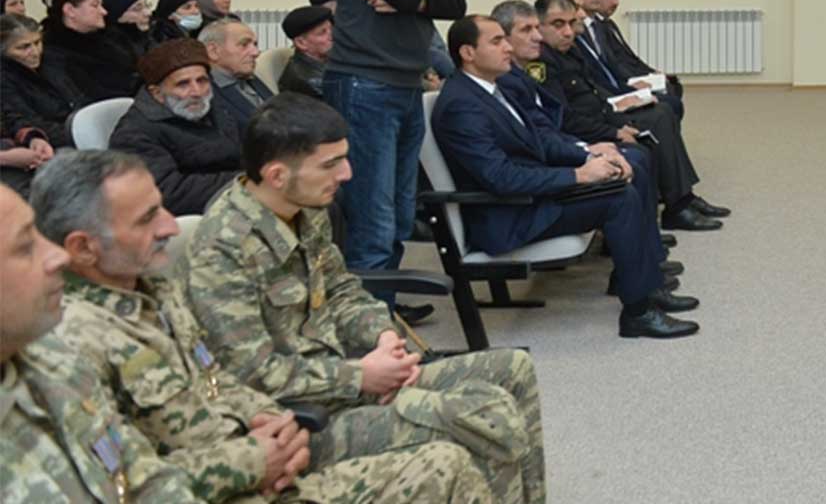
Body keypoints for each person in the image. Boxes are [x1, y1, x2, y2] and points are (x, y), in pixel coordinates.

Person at [31, 150, 492, 502]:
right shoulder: (69, 341)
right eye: (148, 217)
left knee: (457, 451)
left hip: (262, 459)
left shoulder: (153, 290)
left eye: (161, 208)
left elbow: (215, 379)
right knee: (446, 462)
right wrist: (252, 461)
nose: (171, 226)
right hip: (224, 485)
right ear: (83, 247)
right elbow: (119, 484)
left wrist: (279, 427)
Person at [187, 94, 547, 503]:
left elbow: (341, 290)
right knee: (484, 420)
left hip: (345, 380)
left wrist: (383, 337)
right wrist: (360, 376)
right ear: (277, 175)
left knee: (512, 369)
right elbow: (253, 373)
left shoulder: (304, 207)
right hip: (297, 422)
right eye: (330, 164)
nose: (347, 173)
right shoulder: (222, 250)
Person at [434, 15, 698, 339]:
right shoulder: (461, 105)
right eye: (496, 41)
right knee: (620, 198)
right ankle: (638, 313)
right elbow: (500, 178)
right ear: (467, 53)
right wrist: (578, 175)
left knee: (622, 175)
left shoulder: (492, 89)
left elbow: (540, 142)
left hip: (531, 193)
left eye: (505, 38)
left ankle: (643, 285)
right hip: (509, 213)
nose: (507, 48)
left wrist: (590, 156)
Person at [321, 0, 466, 280]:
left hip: (403, 84)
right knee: (374, 222)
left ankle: (383, 309)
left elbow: (454, 2)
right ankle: (369, 321)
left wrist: (415, 2)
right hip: (365, 83)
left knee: (400, 216)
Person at [1, 182, 202, 501]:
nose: (58, 256)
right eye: (25, 247)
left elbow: (143, 477)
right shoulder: (71, 336)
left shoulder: (52, 360)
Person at [528, 0, 726, 231]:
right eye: (558, 24)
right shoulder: (541, 63)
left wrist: (618, 120)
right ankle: (674, 207)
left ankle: (682, 199)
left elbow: (594, 95)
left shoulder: (569, 51)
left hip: (602, 115)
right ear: (539, 26)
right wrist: (614, 131)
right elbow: (565, 118)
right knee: (656, 121)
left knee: (661, 112)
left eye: (571, 23)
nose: (569, 32)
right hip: (586, 131)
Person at [108, 39, 244, 216]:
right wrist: (247, 182)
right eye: (183, 84)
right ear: (157, 93)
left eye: (202, 81)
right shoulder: (134, 134)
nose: (196, 92)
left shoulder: (209, 108)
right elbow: (168, 193)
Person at [584, 0, 686, 120]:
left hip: (625, 78)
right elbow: (613, 64)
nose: (615, 3)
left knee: (673, 85)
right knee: (670, 103)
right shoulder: (595, 28)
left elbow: (629, 57)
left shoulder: (608, 24)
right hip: (616, 86)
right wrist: (631, 82)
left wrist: (651, 72)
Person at [2, 14, 74, 193]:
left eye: (37, 43)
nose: (34, 52)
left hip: (38, 143)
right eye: (23, 47)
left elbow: (13, 116)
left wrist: (33, 137)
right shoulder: (5, 78)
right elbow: (23, 114)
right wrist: (6, 157)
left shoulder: (50, 63)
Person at [40, 0, 141, 103]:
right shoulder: (55, 54)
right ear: (70, 10)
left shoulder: (112, 37)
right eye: (95, 5)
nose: (104, 12)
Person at [202, 18, 275, 126]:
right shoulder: (203, 92)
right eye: (244, 44)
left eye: (255, 44)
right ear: (213, 51)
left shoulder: (248, 77)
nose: (256, 52)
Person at [279, 5, 333, 100]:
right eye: (322, 33)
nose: (333, 36)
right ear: (301, 43)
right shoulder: (310, 82)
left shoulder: (325, 60)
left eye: (331, 29)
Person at [101, 0, 155, 66]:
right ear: (117, 16)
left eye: (147, 6)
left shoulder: (149, 37)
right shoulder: (110, 51)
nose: (148, 13)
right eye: (137, 9)